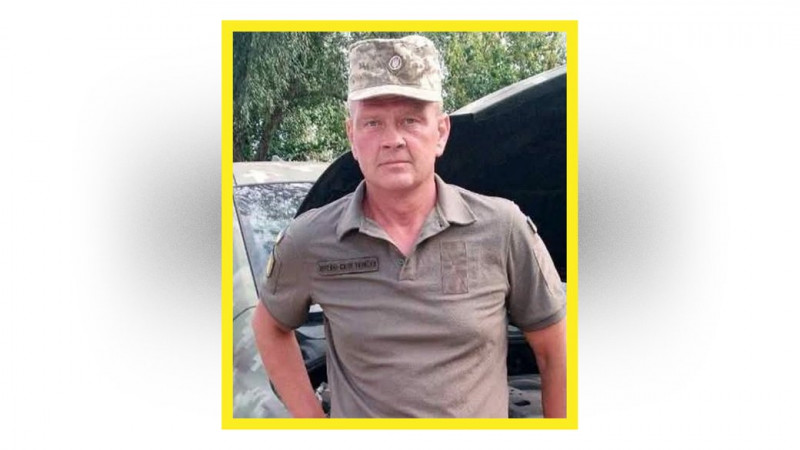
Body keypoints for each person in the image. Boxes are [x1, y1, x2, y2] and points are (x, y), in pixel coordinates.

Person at [251, 35, 566, 418]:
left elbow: (555, 351)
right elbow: (269, 328)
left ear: (441, 132)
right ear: (352, 136)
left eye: (410, 120)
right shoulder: (311, 240)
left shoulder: (502, 229)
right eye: (373, 123)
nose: (393, 140)